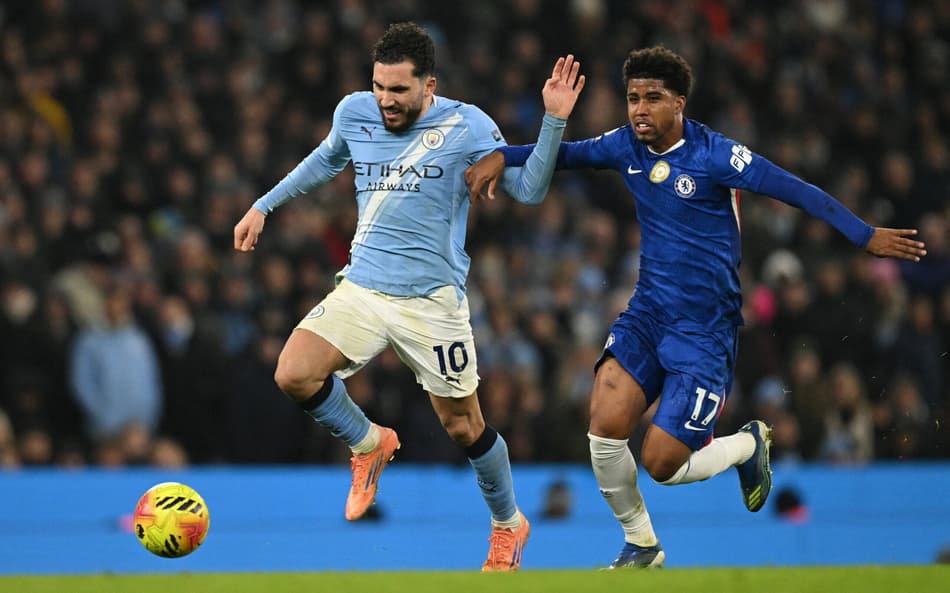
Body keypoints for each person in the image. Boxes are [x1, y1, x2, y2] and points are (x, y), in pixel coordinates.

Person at [464, 46, 927, 569]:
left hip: (705, 331)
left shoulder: (715, 155)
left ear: (679, 103)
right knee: (604, 423)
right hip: (647, 314)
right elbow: (566, 155)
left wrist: (864, 235)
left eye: (653, 98)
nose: (639, 109)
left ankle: (747, 446)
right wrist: (505, 154)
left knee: (660, 462)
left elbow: (794, 190)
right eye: (633, 98)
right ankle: (641, 544)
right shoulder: (624, 147)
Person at [233, 22, 585, 571]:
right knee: (293, 372)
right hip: (364, 285)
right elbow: (325, 160)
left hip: (432, 301)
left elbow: (531, 190)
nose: (385, 100)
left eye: (399, 90)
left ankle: (507, 523)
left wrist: (554, 121)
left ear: (429, 85)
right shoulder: (354, 111)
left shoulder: (469, 126)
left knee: (464, 426)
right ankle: (369, 443)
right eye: (379, 86)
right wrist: (263, 205)